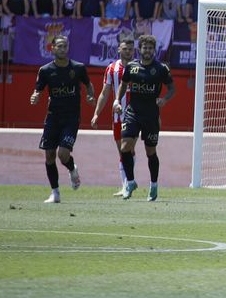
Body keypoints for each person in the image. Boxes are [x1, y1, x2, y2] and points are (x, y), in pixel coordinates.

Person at [31, 35, 95, 204]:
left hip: (71, 118)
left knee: (63, 154)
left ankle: (72, 168)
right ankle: (55, 193)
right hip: (53, 117)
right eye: (59, 46)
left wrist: (90, 96)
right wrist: (35, 96)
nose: (62, 49)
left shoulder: (78, 68)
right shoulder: (45, 70)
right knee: (49, 156)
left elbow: (88, 85)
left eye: (65, 46)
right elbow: (38, 90)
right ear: (52, 48)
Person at [116, 34, 174, 201]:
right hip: (133, 113)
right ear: (139, 49)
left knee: (150, 152)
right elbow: (123, 84)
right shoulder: (131, 67)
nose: (147, 50)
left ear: (153, 50)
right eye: (144, 47)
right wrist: (117, 101)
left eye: (150, 48)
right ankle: (131, 183)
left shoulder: (161, 68)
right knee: (125, 147)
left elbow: (171, 89)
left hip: (151, 116)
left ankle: (154, 185)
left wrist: (164, 99)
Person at [90, 34, 136, 164]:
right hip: (118, 115)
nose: (128, 51)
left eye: (130, 49)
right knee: (122, 151)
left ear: (134, 51)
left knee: (129, 148)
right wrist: (96, 114)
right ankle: (126, 182)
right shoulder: (111, 69)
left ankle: (129, 181)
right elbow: (105, 93)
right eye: (125, 49)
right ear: (119, 49)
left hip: (135, 115)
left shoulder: (139, 67)